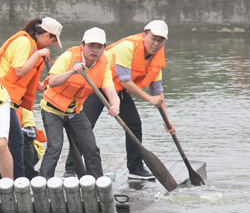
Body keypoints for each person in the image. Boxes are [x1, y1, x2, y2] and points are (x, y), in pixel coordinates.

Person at [64, 20, 175, 180]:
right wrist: (150, 99)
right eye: (153, 38)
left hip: (116, 89)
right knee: (85, 126)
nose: (156, 43)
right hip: (96, 84)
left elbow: (157, 91)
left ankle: (135, 168)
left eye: (160, 40)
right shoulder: (127, 47)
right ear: (145, 35)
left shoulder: (156, 56)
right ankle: (71, 168)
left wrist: (167, 121)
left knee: (134, 124)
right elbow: (125, 81)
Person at [39, 27, 120, 179]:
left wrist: (115, 106)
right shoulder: (69, 56)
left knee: (91, 148)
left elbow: (112, 93)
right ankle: (42, 184)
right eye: (91, 45)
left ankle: (97, 183)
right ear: (82, 45)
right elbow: (52, 81)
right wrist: (71, 72)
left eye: (99, 47)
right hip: (52, 110)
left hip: (74, 112)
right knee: (55, 147)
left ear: (104, 48)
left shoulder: (103, 66)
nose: (95, 50)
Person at [0, 17, 62, 178]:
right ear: (46, 35)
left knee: (14, 140)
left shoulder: (32, 45)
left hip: (7, 99)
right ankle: (18, 179)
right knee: (15, 140)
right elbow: (19, 71)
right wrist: (38, 54)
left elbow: (24, 76)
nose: (50, 45)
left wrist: (41, 86)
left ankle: (16, 178)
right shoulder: (24, 42)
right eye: (52, 41)